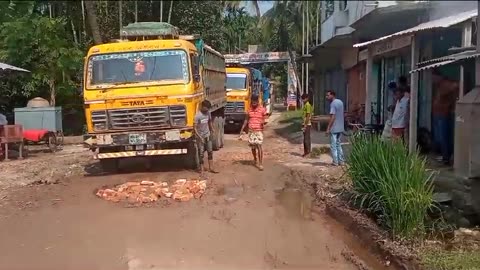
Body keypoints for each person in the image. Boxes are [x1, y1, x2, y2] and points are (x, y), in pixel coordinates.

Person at [240, 95, 267, 171]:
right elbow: (246, 120)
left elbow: (264, 118)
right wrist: (242, 129)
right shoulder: (249, 110)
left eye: (255, 102)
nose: (254, 103)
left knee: (259, 146)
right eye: (253, 102)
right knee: (253, 147)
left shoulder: (262, 109)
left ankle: (260, 163)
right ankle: (255, 159)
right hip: (251, 131)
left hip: (258, 131)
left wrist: (263, 122)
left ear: (258, 102)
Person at [194, 100, 218, 173]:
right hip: (200, 137)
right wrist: (199, 136)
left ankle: (211, 168)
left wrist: (212, 129)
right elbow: (194, 128)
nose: (207, 110)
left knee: (210, 151)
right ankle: (201, 169)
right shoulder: (197, 116)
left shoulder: (208, 113)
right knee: (201, 153)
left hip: (207, 135)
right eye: (206, 108)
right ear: (202, 107)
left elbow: (209, 122)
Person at [326, 91, 345, 166]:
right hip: (340, 126)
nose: (326, 97)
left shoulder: (333, 104)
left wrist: (328, 128)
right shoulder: (340, 102)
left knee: (333, 145)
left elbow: (333, 117)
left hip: (334, 128)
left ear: (332, 95)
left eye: (328, 95)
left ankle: (335, 162)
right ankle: (342, 161)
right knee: (338, 144)